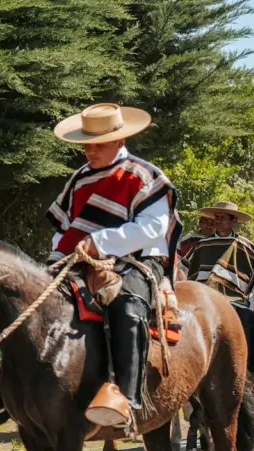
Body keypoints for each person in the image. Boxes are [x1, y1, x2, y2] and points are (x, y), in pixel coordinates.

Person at [46, 103, 183, 429]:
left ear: (119, 141)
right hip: (81, 261)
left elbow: (151, 229)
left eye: (97, 145)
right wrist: (58, 255)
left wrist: (100, 242)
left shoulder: (146, 176)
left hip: (139, 259)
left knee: (127, 306)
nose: (89, 151)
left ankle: (126, 397)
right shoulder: (78, 179)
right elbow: (65, 230)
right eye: (86, 144)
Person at [184, 202, 254, 374]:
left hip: (234, 299)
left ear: (233, 220)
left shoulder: (245, 246)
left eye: (223, 218)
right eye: (217, 218)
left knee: (248, 318)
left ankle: (249, 371)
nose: (219, 221)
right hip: (203, 296)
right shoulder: (202, 245)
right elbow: (188, 270)